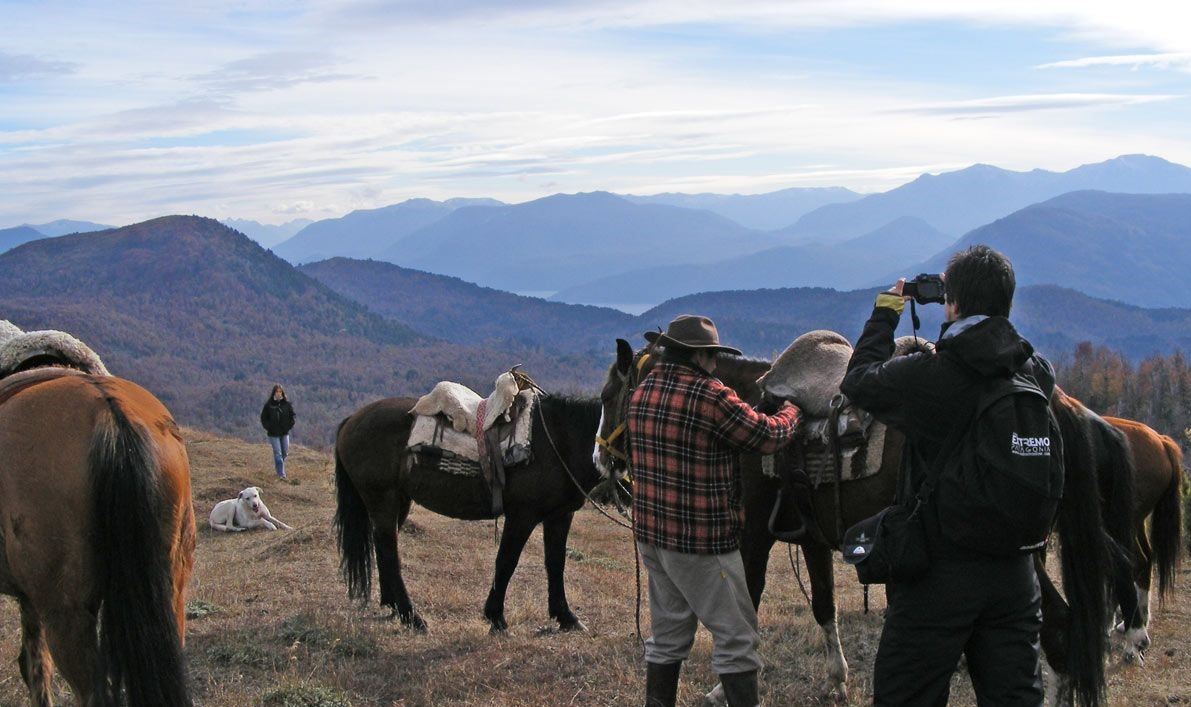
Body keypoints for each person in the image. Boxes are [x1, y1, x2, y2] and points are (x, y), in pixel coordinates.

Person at [840, 245, 1052, 706]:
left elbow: (857, 381)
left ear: (951, 302)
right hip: (1017, 575)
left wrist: (885, 314)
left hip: (940, 571)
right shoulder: (1035, 372)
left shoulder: (932, 373)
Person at [628, 315, 801, 707]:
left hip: (654, 538)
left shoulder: (644, 390)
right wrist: (792, 411)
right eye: (713, 356)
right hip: (702, 541)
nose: (715, 364)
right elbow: (765, 435)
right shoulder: (709, 396)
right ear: (702, 356)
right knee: (737, 639)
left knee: (668, 637)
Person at [260, 384, 296, 480]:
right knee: (278, 453)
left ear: (283, 393)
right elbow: (263, 418)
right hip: (273, 434)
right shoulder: (269, 405)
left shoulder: (287, 405)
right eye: (277, 392)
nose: (278, 393)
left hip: (284, 433)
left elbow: (292, 416)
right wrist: (269, 427)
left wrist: (288, 426)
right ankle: (281, 475)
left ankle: (278, 466)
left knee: (285, 453)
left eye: (280, 392)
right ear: (274, 393)